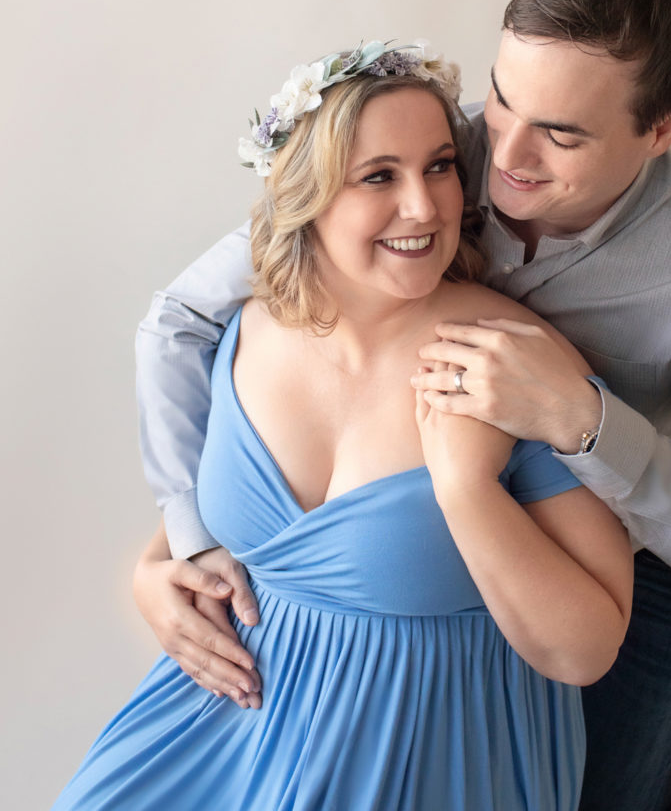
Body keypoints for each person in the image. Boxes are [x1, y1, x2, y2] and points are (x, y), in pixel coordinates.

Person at [133, 0, 671, 811]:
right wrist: (173, 543)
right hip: (422, 550)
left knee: (599, 791)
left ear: (663, 128)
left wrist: (582, 422)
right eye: (502, 102)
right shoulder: (430, 153)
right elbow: (194, 312)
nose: (506, 159)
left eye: (561, 136)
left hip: (641, 564)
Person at [54, 43, 633, 810]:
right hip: (214, 738)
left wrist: (466, 490)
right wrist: (156, 571)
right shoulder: (245, 330)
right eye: (377, 176)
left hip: (421, 762)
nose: (425, 207)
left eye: (437, 167)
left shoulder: (507, 362)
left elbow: (585, 649)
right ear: (310, 195)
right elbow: (239, 535)